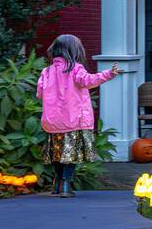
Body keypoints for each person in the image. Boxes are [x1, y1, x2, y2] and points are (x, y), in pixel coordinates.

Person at [37, 35, 117, 197]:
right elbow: (88, 81)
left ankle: (57, 184)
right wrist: (108, 74)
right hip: (73, 120)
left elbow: (40, 93)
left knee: (57, 153)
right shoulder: (75, 68)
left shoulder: (46, 71)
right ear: (74, 51)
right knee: (71, 154)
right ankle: (66, 185)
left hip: (53, 122)